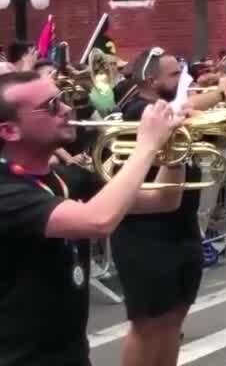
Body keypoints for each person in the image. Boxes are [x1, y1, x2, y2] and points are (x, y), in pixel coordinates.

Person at [0, 72, 183, 366]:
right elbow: (99, 220)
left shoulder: (64, 177)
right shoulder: (7, 190)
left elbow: (164, 200)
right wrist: (147, 145)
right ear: (10, 131)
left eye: (63, 99)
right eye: (51, 106)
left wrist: (174, 151)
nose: (66, 109)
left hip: (69, 352)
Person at [111, 51, 226, 366]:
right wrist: (221, 91)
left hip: (181, 226)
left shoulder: (168, 109)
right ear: (150, 79)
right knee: (147, 325)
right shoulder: (138, 110)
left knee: (173, 320)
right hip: (145, 233)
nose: (182, 80)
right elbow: (181, 111)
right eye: (173, 74)